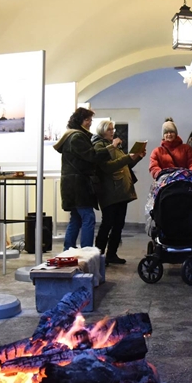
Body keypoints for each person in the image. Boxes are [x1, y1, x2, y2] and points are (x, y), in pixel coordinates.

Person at [53, 107, 110, 251]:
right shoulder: (77, 137)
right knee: (88, 217)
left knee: (76, 218)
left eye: (90, 120)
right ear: (79, 121)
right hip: (78, 185)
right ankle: (86, 251)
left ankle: (68, 249)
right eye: (87, 120)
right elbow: (91, 156)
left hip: (72, 184)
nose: (90, 123)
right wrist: (110, 148)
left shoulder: (71, 136)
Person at [91, 120, 146, 265]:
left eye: (113, 129)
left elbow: (124, 164)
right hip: (109, 191)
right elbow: (107, 167)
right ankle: (98, 255)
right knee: (107, 223)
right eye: (109, 129)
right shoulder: (99, 146)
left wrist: (137, 157)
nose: (112, 132)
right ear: (102, 130)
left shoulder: (114, 145)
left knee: (119, 224)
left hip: (121, 190)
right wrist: (126, 156)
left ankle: (112, 254)